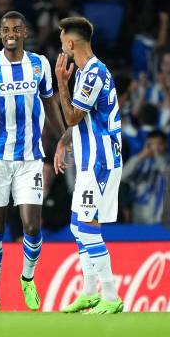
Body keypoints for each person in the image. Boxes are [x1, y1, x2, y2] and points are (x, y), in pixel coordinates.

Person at [0, 10, 65, 314]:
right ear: (0, 34)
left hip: (31, 158)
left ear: (25, 33)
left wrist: (65, 139)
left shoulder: (39, 64)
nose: (11, 33)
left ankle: (27, 278)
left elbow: (49, 104)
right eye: (6, 29)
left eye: (17, 28)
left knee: (32, 226)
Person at [54, 16, 124, 314]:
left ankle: (110, 296)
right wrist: (63, 142)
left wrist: (60, 82)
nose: (61, 45)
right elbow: (80, 122)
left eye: (61, 40)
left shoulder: (94, 74)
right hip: (87, 160)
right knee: (77, 225)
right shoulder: (85, 73)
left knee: (87, 226)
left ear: (70, 43)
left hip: (100, 161)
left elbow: (71, 116)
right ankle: (89, 291)